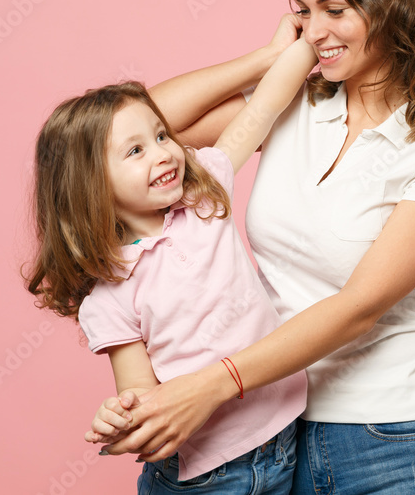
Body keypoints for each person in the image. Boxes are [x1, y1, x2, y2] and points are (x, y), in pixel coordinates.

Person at [102, 0, 415, 494]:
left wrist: (211, 384)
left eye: (335, 10)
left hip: (392, 438)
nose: (316, 30)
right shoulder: (296, 105)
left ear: (392, 4)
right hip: (275, 434)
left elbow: (360, 304)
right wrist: (270, 60)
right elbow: (136, 129)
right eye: (303, 12)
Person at [24, 36, 316, 493]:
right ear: (90, 184)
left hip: (288, 435)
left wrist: (299, 46)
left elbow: (261, 110)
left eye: (162, 137)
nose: (164, 152)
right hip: (208, 477)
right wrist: (123, 415)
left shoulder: (205, 196)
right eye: (135, 151)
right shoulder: (109, 295)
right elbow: (140, 389)